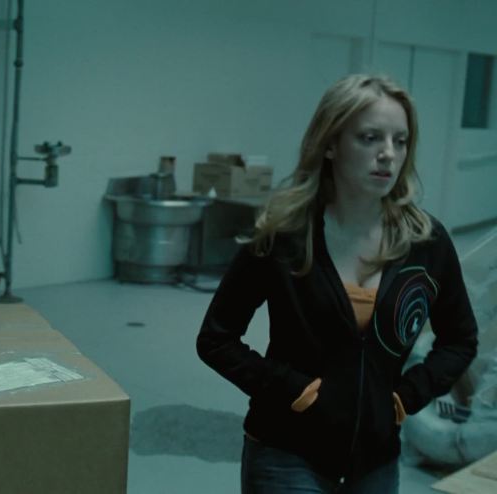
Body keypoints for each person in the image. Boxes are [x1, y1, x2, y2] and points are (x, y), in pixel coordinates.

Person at [196, 74, 478, 493]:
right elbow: (216, 339)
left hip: (376, 461)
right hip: (285, 453)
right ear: (330, 144)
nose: (388, 154)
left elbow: (460, 339)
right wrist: (290, 388)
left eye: (400, 141)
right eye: (369, 138)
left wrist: (407, 396)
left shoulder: (425, 242)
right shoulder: (285, 235)